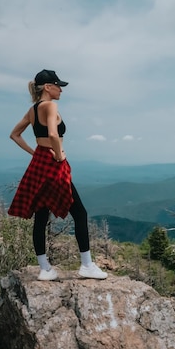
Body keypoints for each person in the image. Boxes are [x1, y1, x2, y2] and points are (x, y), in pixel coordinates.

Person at [7, 69, 107, 281]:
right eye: (58, 85)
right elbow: (53, 133)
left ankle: (45, 269)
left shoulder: (32, 110)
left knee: (41, 217)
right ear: (47, 87)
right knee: (80, 213)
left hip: (39, 163)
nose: (61, 90)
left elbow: (14, 135)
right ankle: (86, 265)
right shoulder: (50, 105)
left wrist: (36, 152)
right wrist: (60, 156)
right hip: (53, 164)